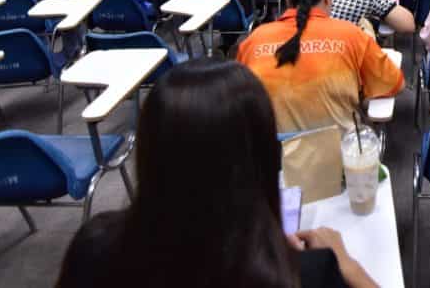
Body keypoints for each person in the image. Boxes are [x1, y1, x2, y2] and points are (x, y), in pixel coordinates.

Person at [56, 62, 375, 288]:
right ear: (263, 155)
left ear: (150, 147)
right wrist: (347, 265)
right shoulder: (303, 274)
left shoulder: (92, 250)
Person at [237, 0, 404, 133]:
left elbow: (240, 100)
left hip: (269, 148)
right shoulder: (352, 35)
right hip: (338, 147)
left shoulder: (253, 40)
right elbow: (393, 83)